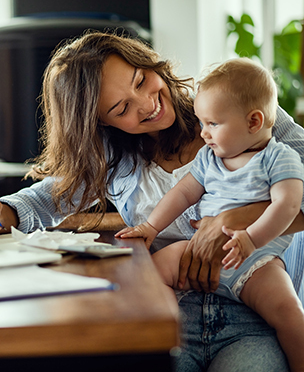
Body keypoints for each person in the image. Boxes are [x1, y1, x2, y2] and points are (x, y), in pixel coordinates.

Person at [0, 32, 303, 371]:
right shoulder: (114, 156)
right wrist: (7, 210)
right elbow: (50, 196)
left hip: (254, 312)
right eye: (122, 108)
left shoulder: (236, 106)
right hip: (171, 316)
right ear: (101, 122)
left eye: (142, 80)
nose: (147, 103)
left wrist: (233, 219)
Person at [116, 58, 304, 371]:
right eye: (202, 123)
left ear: (253, 123)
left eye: (212, 124)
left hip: (256, 260)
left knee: (290, 313)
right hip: (196, 251)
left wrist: (249, 238)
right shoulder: (210, 158)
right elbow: (182, 194)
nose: (203, 133)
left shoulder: (279, 159)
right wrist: (150, 226)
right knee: (149, 272)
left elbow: (286, 205)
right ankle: (174, 330)